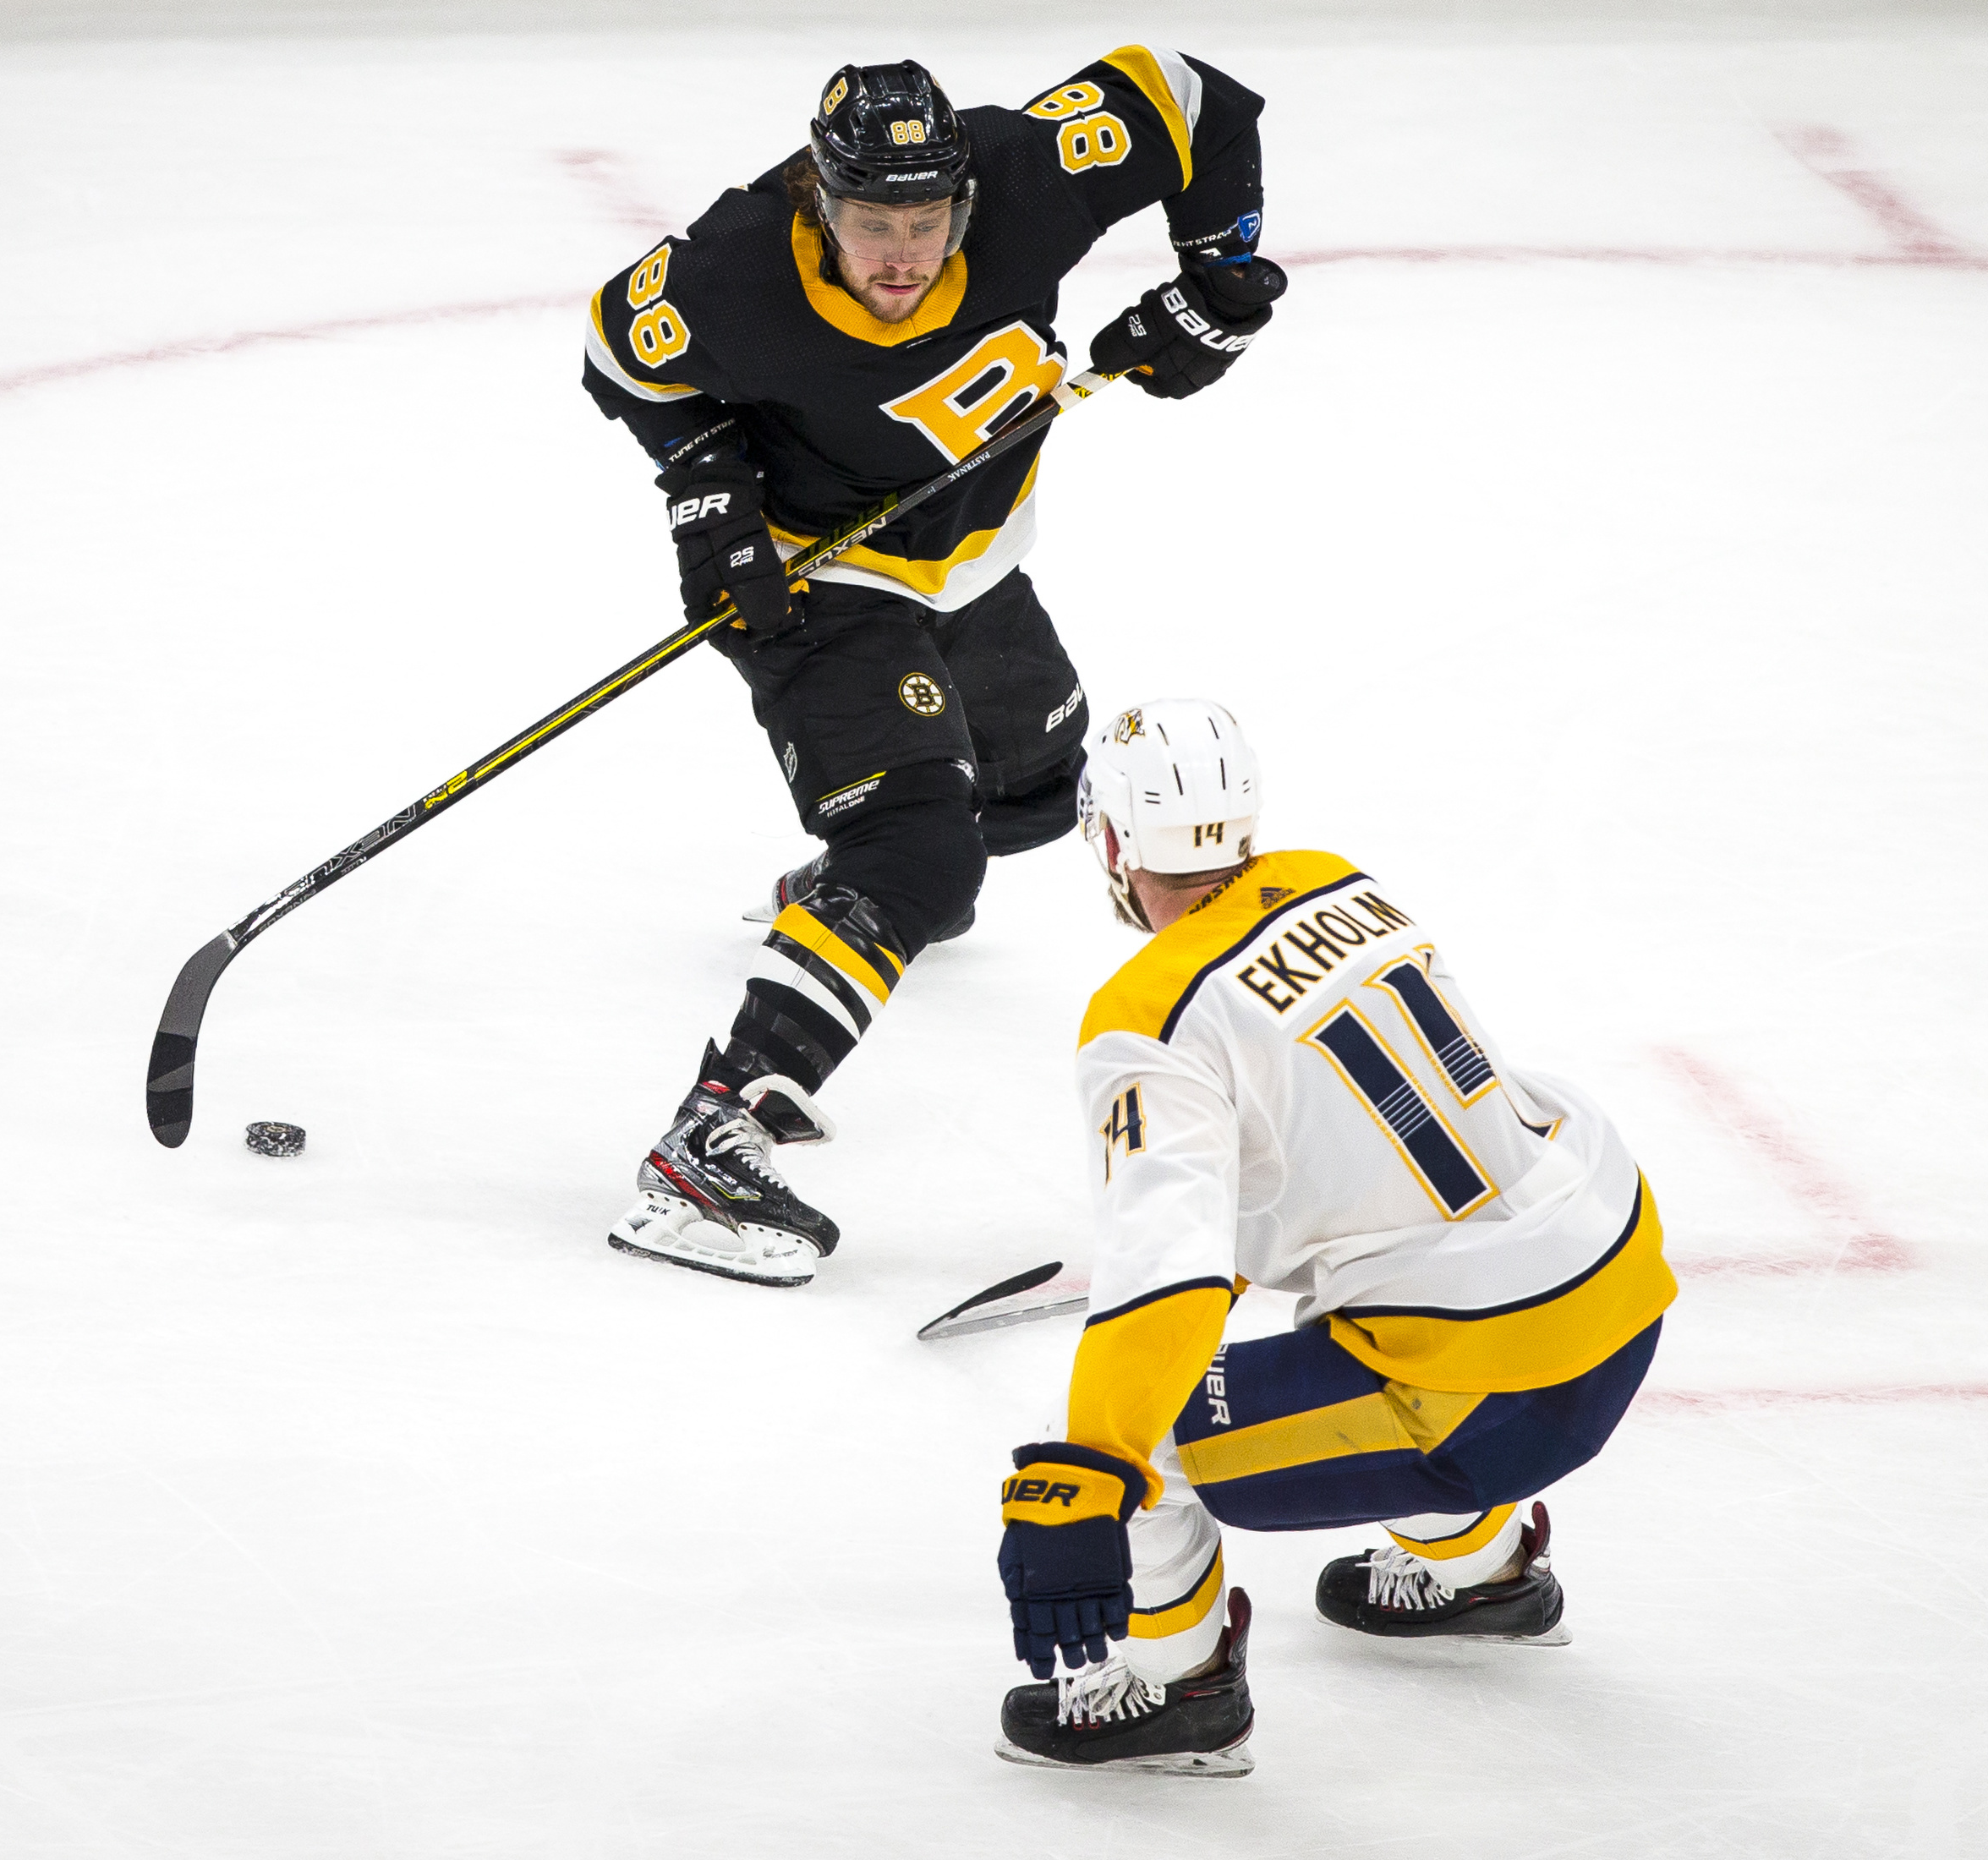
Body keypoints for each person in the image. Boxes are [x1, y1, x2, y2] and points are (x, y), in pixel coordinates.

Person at [581, 53, 1287, 1288]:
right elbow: (619, 354)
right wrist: (708, 493)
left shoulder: (1025, 172)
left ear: (963, 199)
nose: (901, 257)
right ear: (818, 198)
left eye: (925, 224)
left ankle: (846, 896)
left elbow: (1193, 98)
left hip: (969, 562)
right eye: (870, 226)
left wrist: (1215, 280)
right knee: (924, 850)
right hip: (806, 575)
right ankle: (706, 1140)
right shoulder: (734, 267)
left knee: (1025, 802)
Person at [989, 702, 1679, 1776]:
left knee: (1126, 1433)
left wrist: (1089, 1466)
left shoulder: (1145, 1018)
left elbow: (1164, 1286)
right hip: (1617, 1286)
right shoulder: (1330, 877)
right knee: (1378, 1302)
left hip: (1493, 1391)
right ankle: (1479, 1571)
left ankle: (1181, 1688)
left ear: (1115, 842)